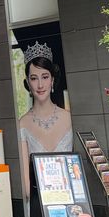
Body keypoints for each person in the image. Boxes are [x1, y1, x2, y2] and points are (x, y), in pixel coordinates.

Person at [17, 41, 72, 203]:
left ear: (52, 80)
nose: (40, 85)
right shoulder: (23, 124)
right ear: (28, 83)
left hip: (72, 201)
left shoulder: (69, 118)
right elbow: (25, 181)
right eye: (34, 78)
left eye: (45, 77)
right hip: (39, 204)